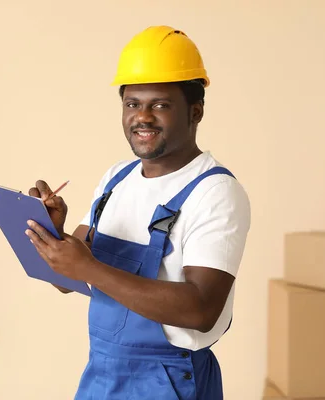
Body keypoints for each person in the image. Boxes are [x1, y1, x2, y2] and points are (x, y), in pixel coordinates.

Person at [25, 26, 251, 399]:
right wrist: (53, 235)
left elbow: (201, 309)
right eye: (132, 103)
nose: (142, 116)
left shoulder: (216, 193)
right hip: (102, 374)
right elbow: (66, 281)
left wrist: (90, 268)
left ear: (195, 111)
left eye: (160, 104)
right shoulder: (118, 178)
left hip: (170, 382)